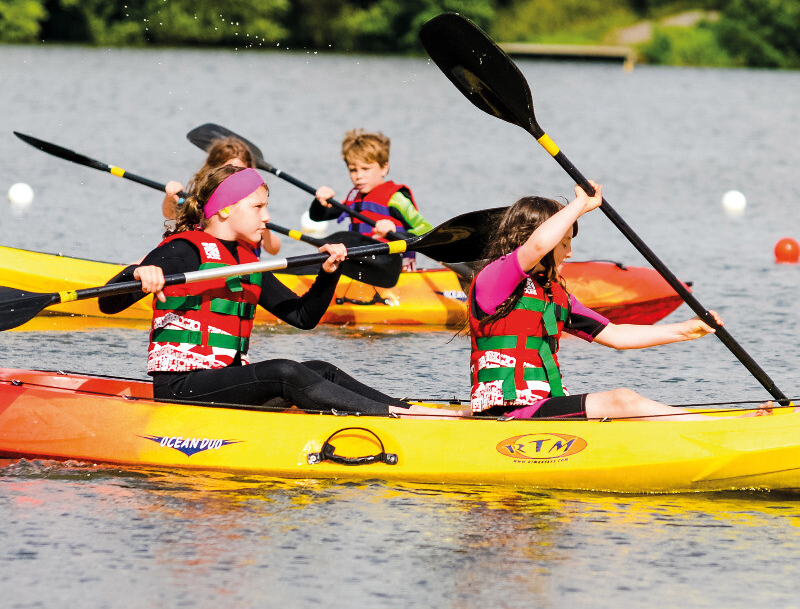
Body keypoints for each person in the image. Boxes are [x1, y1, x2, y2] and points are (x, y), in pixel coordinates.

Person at [99, 164, 463, 417]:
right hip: (181, 387)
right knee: (285, 371)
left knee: (321, 368)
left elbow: (302, 317)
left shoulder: (245, 260)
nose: (267, 217)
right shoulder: (184, 249)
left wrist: (328, 273)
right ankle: (392, 417)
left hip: (224, 383)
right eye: (258, 207)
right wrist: (137, 272)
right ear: (225, 210)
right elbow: (107, 303)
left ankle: (409, 410)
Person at [469, 183, 773, 421]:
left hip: (543, 409)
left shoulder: (554, 296)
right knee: (622, 400)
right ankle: (722, 429)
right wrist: (579, 205)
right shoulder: (494, 281)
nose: (569, 253)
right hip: (505, 413)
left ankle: (716, 425)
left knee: (628, 409)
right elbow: (537, 244)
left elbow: (616, 335)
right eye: (564, 244)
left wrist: (686, 330)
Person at [310, 128, 432, 270]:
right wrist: (320, 200)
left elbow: (426, 231)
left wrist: (395, 233)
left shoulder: (396, 198)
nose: (358, 176)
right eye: (353, 170)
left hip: (397, 271)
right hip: (365, 269)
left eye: (366, 169)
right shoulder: (354, 197)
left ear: (384, 168)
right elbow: (317, 216)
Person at [163, 135, 282, 255]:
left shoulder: (254, 206)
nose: (235, 176)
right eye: (229, 169)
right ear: (215, 170)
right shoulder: (201, 199)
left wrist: (262, 225)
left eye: (240, 170)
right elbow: (171, 214)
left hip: (246, 266)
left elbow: (274, 249)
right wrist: (170, 197)